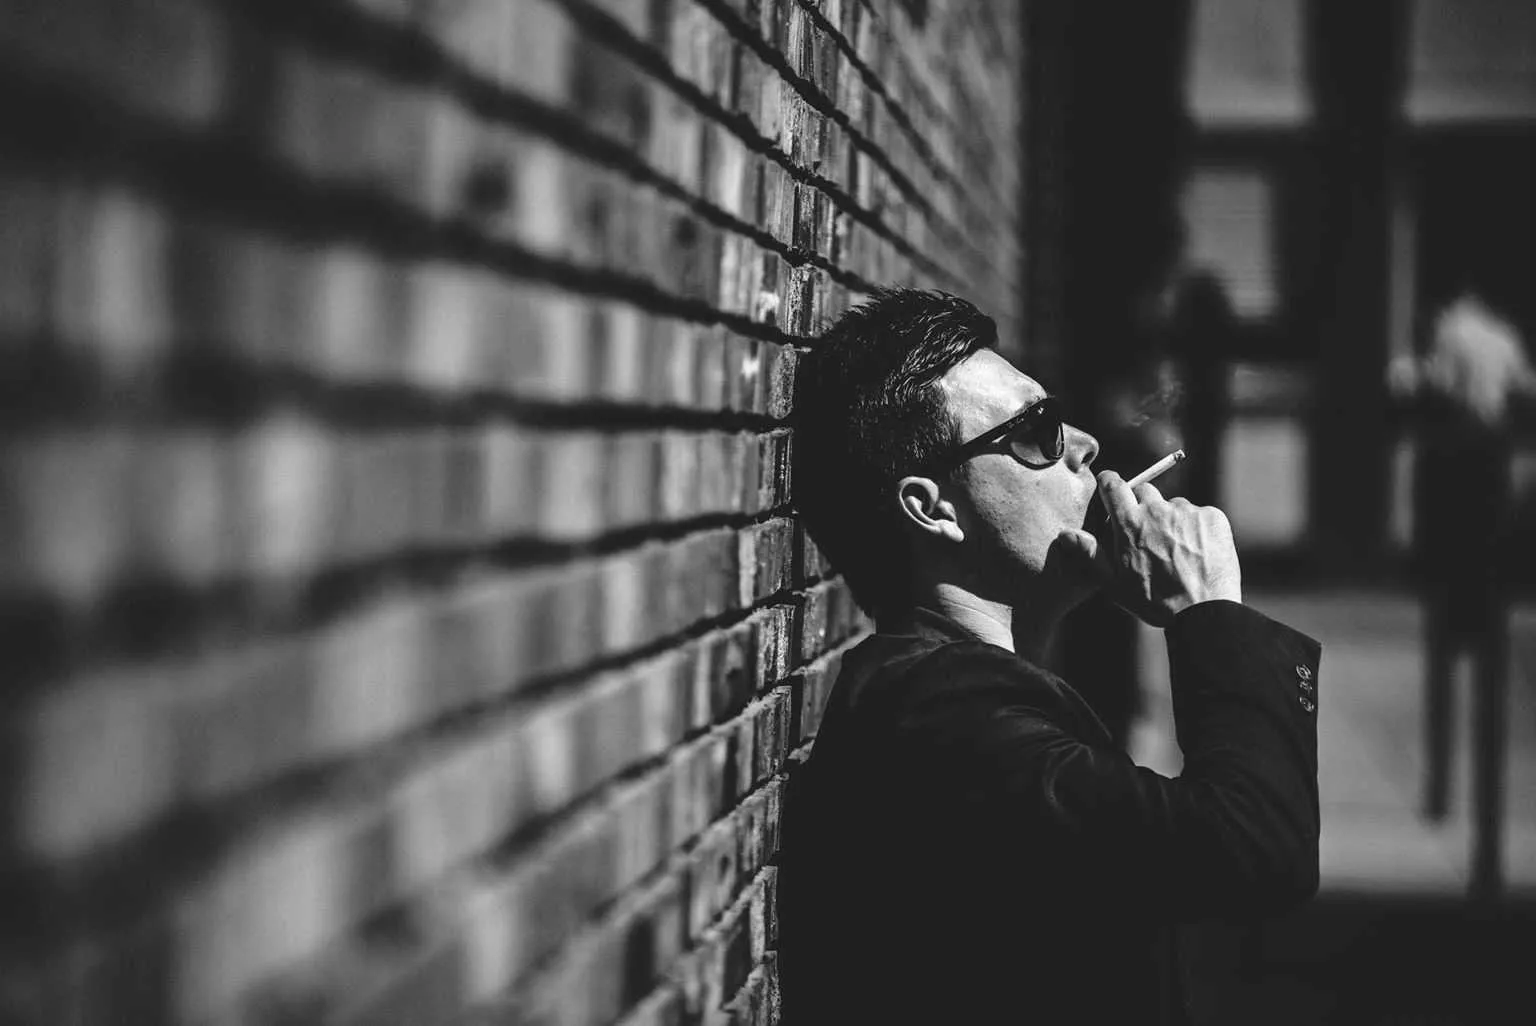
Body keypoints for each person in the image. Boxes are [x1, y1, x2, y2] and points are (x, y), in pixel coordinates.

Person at [778, 289, 1321, 1025]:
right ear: (932, 507)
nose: (1083, 445)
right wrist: (1208, 611)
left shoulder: (953, 699)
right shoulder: (945, 726)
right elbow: (1250, 851)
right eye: (1036, 432)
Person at [1388, 285, 1536, 900]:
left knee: (1446, 671)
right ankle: (1487, 853)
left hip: (1453, 549)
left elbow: (1418, 390)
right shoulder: (1504, 348)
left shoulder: (1441, 422)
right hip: (1493, 553)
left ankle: (1440, 792)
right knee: (1493, 701)